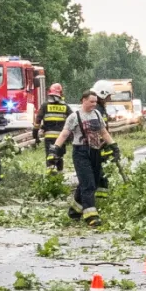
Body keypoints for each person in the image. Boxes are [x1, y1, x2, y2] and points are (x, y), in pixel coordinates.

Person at [51, 89, 115, 227]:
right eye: (91, 102)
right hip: (81, 152)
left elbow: (103, 132)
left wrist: (113, 146)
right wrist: (55, 149)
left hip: (95, 151)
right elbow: (64, 134)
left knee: (92, 181)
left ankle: (74, 211)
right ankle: (91, 215)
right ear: (83, 100)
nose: (94, 104)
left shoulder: (97, 113)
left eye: (95, 102)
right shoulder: (74, 117)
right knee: (88, 184)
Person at [35, 83, 71, 174]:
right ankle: (60, 174)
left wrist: (35, 135)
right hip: (61, 137)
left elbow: (38, 121)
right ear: (61, 94)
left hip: (49, 137)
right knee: (59, 156)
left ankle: (51, 175)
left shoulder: (44, 105)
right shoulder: (65, 106)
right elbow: (72, 119)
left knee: (50, 156)